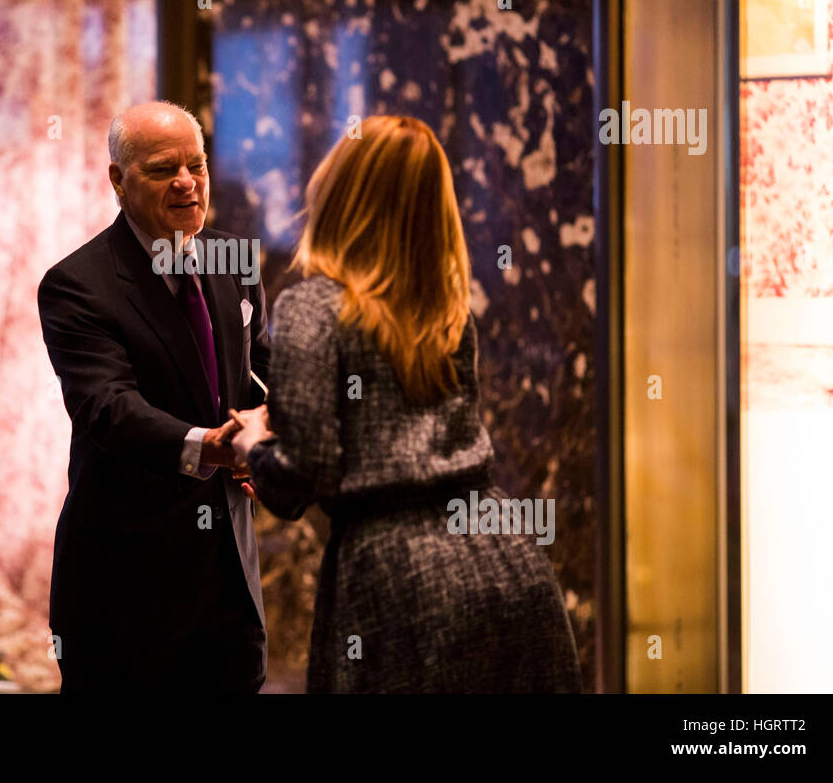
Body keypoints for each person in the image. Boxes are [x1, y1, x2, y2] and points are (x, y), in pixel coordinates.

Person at [228, 115, 582, 693]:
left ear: (340, 192)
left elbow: (301, 475)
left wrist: (255, 441)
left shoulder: (313, 307)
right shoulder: (446, 306)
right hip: (507, 560)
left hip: (396, 578)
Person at [37, 101, 270, 693]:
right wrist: (210, 448)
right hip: (125, 588)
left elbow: (261, 374)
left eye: (197, 164)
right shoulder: (76, 285)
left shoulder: (235, 261)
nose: (187, 182)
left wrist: (269, 430)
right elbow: (107, 407)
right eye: (165, 169)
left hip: (229, 583)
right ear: (118, 180)